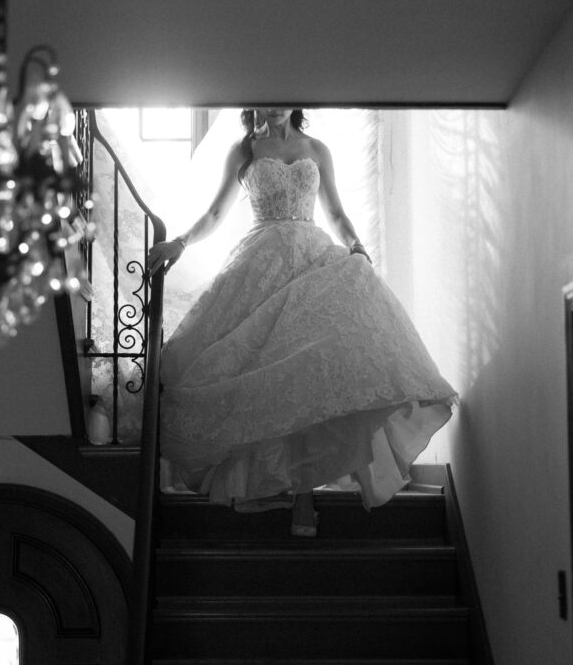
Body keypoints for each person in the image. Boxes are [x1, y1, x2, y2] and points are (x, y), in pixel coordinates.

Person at [147, 108, 456, 537]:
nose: (275, 102)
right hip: (261, 260)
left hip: (313, 253)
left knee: (312, 373)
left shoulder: (317, 149)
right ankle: (270, 486)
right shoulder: (244, 150)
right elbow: (216, 213)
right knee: (270, 372)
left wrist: (357, 246)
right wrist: (180, 242)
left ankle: (305, 496)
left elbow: (336, 211)